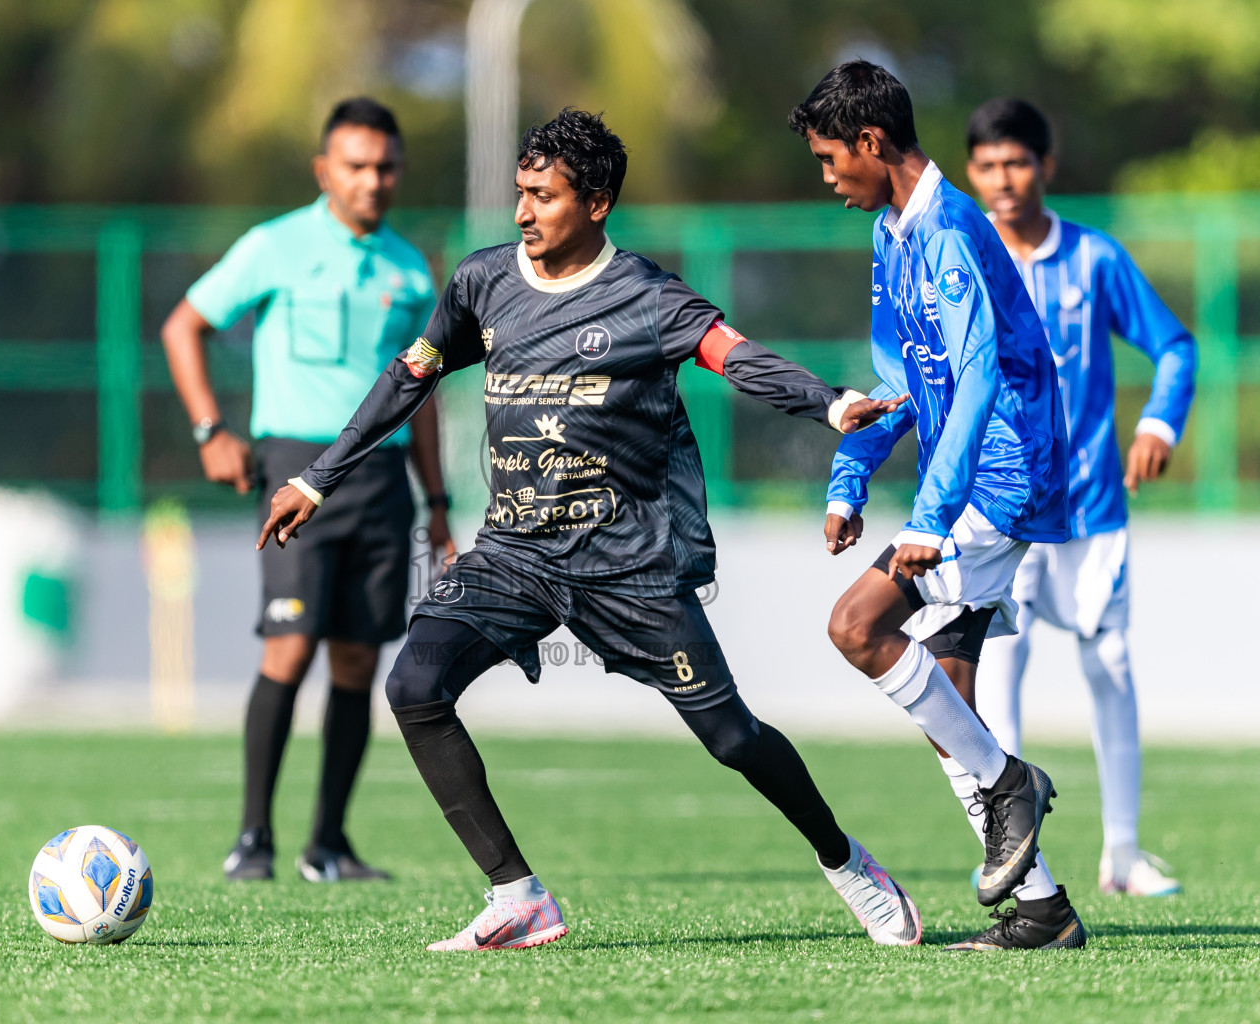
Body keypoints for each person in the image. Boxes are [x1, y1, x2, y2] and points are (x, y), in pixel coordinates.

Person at [258, 108, 922, 952]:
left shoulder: (647, 297)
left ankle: (844, 860)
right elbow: (409, 377)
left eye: (544, 197)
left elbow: (735, 355)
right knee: (414, 689)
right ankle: (517, 896)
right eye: (520, 194)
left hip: (627, 566)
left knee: (732, 737)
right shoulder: (484, 282)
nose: (523, 213)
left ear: (598, 202)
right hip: (513, 553)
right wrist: (315, 478)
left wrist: (828, 404)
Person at [790, 61, 1086, 951]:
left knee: (856, 626)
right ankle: (1041, 911)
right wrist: (850, 479)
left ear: (871, 143)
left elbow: (980, 375)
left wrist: (928, 514)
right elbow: (900, 379)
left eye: (829, 156)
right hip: (974, 477)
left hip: (1004, 476)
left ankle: (1011, 784)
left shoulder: (951, 228)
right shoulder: (892, 229)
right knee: (944, 706)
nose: (826, 174)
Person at [161, 97, 456, 884]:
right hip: (295, 468)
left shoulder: (407, 267)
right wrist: (209, 431)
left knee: (359, 659)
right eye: (356, 166)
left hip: (382, 478)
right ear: (324, 170)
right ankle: (252, 837)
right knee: (290, 645)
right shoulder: (275, 246)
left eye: (386, 166)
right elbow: (182, 325)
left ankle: (328, 844)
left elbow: (420, 393)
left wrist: (438, 504)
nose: (373, 180)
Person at [964, 98, 1196, 897]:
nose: (1004, 179)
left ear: (1046, 167)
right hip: (1001, 510)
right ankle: (1019, 855)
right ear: (971, 172)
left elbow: (1174, 345)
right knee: (1000, 663)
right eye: (989, 165)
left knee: (1113, 664)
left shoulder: (1094, 260)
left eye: (1018, 162)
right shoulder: (966, 260)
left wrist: (1160, 422)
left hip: (1093, 505)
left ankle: (1123, 853)